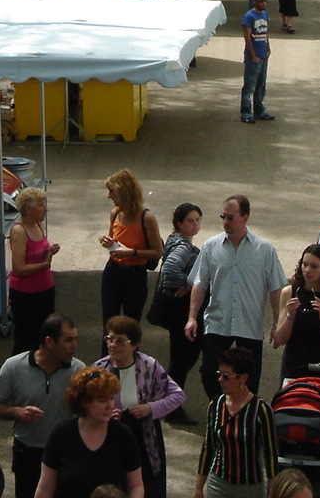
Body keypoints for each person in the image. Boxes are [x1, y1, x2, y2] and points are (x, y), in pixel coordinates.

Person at [186, 194, 286, 398]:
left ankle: (246, 418)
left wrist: (278, 323)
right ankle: (221, 410)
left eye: (231, 217)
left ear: (245, 218)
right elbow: (199, 284)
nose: (225, 222)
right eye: (223, 216)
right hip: (217, 321)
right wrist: (191, 318)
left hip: (249, 324)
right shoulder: (211, 247)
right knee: (209, 373)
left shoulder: (264, 250)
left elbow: (277, 289)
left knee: (250, 377)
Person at [0, 314, 86, 498]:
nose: (75, 346)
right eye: (68, 340)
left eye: (76, 339)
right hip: (28, 454)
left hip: (65, 453)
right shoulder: (14, 367)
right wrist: (17, 412)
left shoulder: (78, 371)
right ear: (49, 341)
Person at [94, 316, 185, 498]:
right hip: (111, 439)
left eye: (120, 341)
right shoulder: (99, 370)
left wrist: (150, 408)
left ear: (134, 344)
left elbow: (177, 395)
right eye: (109, 339)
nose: (112, 345)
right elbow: (85, 405)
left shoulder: (148, 366)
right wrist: (105, 414)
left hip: (145, 438)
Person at [33, 367, 144, 498]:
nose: (110, 405)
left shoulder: (123, 435)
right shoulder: (61, 434)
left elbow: (136, 486)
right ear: (84, 402)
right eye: (102, 401)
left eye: (112, 399)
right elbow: (45, 487)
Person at [193, 346, 277, 498]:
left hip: (250, 487)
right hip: (218, 483)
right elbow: (208, 447)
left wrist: (272, 490)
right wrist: (199, 487)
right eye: (219, 374)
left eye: (226, 376)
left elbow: (270, 452)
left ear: (243, 378)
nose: (220, 380)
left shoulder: (261, 409)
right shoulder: (215, 406)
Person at [98, 169, 162, 350]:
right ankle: (107, 365)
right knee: (108, 323)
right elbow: (115, 243)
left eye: (112, 191)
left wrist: (132, 253)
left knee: (131, 325)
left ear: (124, 191)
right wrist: (108, 242)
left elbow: (157, 252)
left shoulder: (146, 217)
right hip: (113, 272)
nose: (109, 196)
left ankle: (130, 366)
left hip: (135, 275)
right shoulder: (115, 214)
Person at [153, 202, 202, 426]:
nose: (195, 224)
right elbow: (171, 269)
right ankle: (171, 404)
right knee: (183, 357)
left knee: (181, 356)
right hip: (179, 310)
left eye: (197, 220)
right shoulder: (183, 246)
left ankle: (169, 399)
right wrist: (190, 285)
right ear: (180, 223)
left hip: (174, 309)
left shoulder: (175, 241)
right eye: (190, 220)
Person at [271, 243, 320, 382]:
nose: (307, 270)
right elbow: (280, 339)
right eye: (304, 264)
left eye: (314, 266)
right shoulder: (289, 292)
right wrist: (290, 317)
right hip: (294, 364)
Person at [8, 187, 60, 355]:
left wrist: (48, 252)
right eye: (40, 205)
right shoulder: (18, 231)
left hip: (45, 289)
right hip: (26, 294)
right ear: (28, 210)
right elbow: (19, 268)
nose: (45, 209)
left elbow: (37, 252)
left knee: (46, 336)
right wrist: (45, 263)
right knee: (26, 339)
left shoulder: (38, 224)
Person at [239, 0, 274, 123]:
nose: (264, 3)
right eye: (261, 1)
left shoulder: (264, 15)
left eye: (265, 1)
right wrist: (253, 56)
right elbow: (247, 38)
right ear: (254, 2)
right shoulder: (249, 17)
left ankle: (259, 110)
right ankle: (246, 111)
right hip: (253, 56)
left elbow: (265, 33)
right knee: (250, 84)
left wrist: (268, 48)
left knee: (261, 84)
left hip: (263, 55)